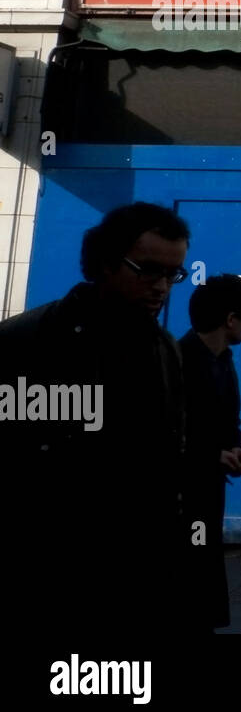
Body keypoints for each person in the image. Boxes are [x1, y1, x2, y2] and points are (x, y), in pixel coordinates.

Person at [0, 201, 192, 637]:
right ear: (104, 263)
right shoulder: (28, 341)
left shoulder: (164, 348)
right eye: (146, 269)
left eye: (171, 274)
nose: (160, 286)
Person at [179, 274, 241, 632]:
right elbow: (165, 430)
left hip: (209, 488)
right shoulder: (180, 361)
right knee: (192, 559)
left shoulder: (224, 361)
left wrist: (236, 449)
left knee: (204, 556)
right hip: (183, 491)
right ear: (230, 319)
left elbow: (229, 419)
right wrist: (212, 455)